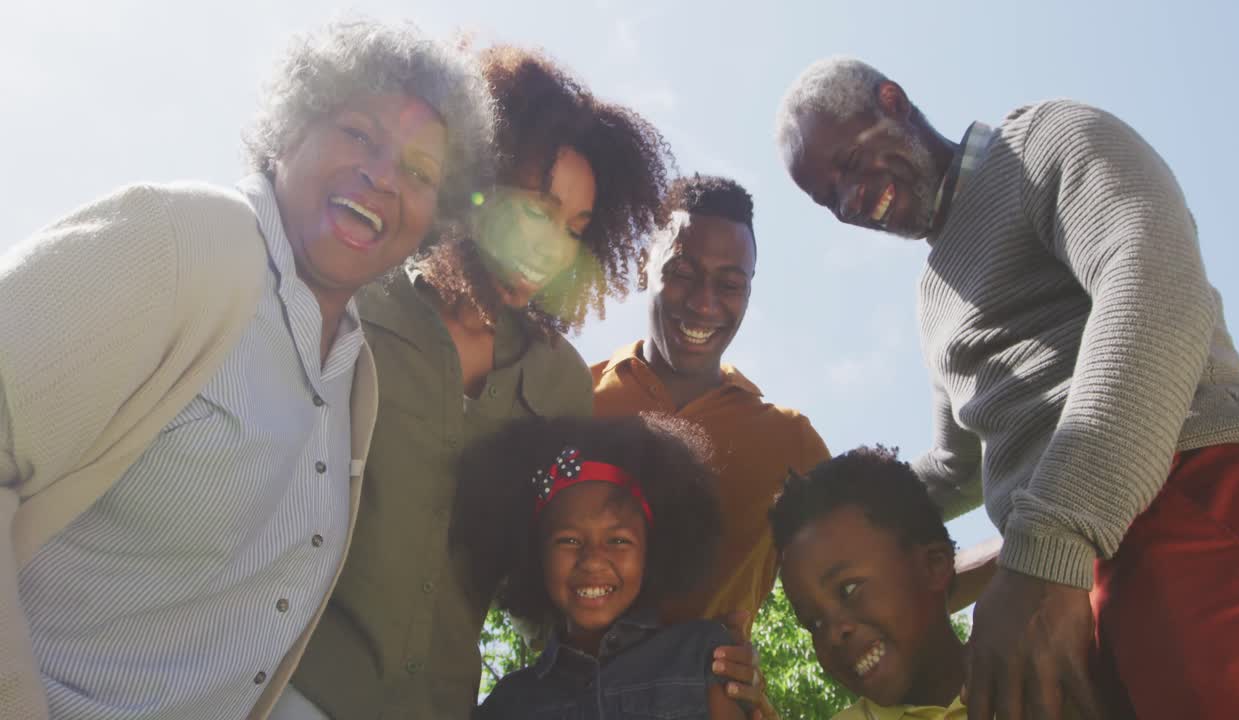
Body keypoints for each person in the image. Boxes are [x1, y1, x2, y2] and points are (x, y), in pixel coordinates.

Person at [0, 19, 493, 720]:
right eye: (359, 134)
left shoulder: (356, 374)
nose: (382, 177)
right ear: (291, 128)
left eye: (418, 172)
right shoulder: (180, 242)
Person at [777, 56, 1239, 719]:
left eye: (848, 164)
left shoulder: (1043, 141)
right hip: (1071, 584)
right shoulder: (934, 298)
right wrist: (809, 527)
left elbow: (1155, 289)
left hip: (1186, 496)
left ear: (892, 102)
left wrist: (1047, 547)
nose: (850, 200)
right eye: (828, 198)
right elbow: (958, 465)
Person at [286, 46, 672, 719]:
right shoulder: (362, 303)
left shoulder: (559, 386)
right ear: (481, 180)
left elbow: (563, 572)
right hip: (294, 687)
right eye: (537, 210)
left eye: (575, 230)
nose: (553, 250)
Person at [592, 174, 831, 635]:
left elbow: (874, 580)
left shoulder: (789, 442)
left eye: (729, 284)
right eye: (683, 273)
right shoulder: (573, 396)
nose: (704, 303)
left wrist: (1014, 572)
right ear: (645, 264)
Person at [455, 414, 747, 720]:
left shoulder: (702, 657)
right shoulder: (509, 704)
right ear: (533, 554)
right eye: (568, 540)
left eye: (619, 541)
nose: (593, 559)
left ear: (654, 550)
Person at [772, 446, 966, 720]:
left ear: (933, 565)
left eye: (848, 590)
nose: (833, 635)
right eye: (813, 623)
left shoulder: (1033, 677)